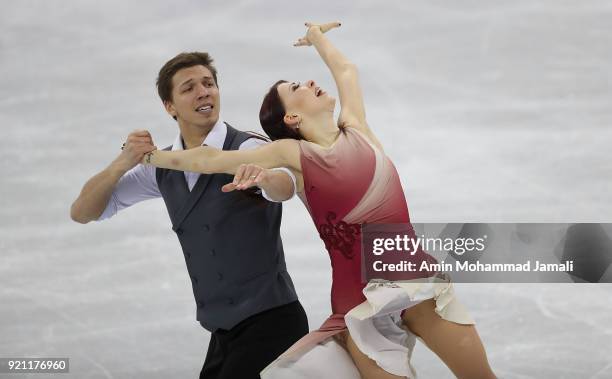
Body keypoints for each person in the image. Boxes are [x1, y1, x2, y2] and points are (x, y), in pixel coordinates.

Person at [139, 22, 497, 379]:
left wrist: (317, 38)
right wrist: (153, 157)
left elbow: (346, 69)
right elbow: (210, 160)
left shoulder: (357, 127)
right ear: (292, 117)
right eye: (296, 87)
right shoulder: (293, 155)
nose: (310, 83)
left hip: (416, 282)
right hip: (360, 306)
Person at [70, 52, 309, 379]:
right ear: (170, 106)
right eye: (189, 88)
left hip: (273, 323)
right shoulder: (163, 167)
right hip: (223, 333)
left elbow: (285, 185)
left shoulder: (248, 148)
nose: (204, 92)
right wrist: (122, 164)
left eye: (209, 84)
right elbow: (83, 212)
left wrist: (268, 179)